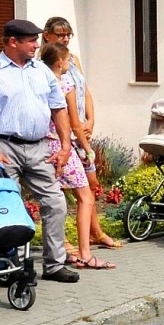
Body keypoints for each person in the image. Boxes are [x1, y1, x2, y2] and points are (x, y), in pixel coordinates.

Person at [0, 19, 77, 282]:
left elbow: (59, 109)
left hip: (40, 148)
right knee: (6, 206)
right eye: (31, 41)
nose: (37, 45)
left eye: (37, 40)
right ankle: (9, 267)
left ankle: (54, 265)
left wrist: (65, 146)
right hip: (4, 147)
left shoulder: (42, 71)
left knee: (55, 202)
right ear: (13, 42)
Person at [42, 17, 120, 253]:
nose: (65, 39)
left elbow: (84, 90)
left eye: (68, 35)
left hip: (79, 128)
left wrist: (91, 119)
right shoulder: (45, 66)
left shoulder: (72, 60)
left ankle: (96, 232)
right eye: (60, 35)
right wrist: (76, 127)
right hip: (63, 132)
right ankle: (65, 240)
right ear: (47, 36)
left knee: (90, 183)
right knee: (63, 190)